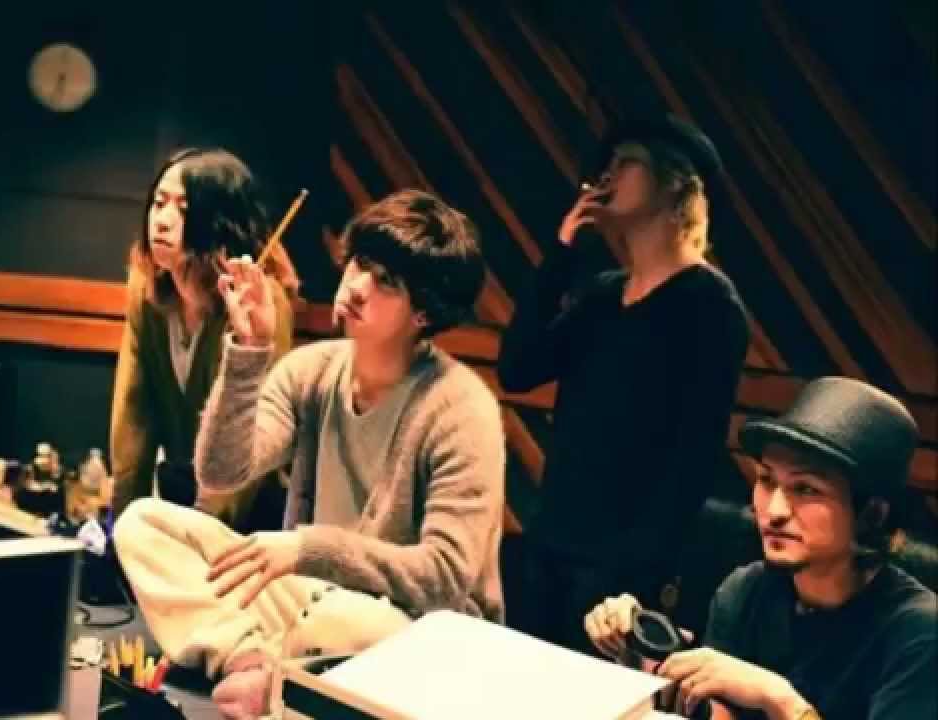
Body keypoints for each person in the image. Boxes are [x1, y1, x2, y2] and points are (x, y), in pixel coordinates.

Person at [113, 190, 505, 720]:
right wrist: (248, 351)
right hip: (310, 594)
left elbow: (444, 575)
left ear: (424, 314)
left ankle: (279, 669)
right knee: (144, 525)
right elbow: (221, 472)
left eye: (386, 282)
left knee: (346, 622)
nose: (357, 287)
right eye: (360, 264)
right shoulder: (312, 371)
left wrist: (307, 550)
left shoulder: (461, 408)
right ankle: (254, 662)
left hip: (415, 626)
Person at [498, 115, 750, 654]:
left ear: (674, 183)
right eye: (606, 165)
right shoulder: (603, 295)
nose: (606, 175)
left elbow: (692, 460)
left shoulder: (710, 305)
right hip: (552, 541)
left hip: (619, 571)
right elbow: (517, 369)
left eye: (626, 162)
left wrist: (635, 576)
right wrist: (562, 252)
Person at [585, 377, 937, 719]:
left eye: (807, 489)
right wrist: (643, 662)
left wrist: (780, 700)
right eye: (766, 480)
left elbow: (771, 698)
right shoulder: (745, 590)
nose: (774, 511)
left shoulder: (919, 633)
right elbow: (721, 714)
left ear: (873, 514)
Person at [109, 148, 299, 528]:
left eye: (183, 208)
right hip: (177, 491)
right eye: (158, 203)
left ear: (218, 220)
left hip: (246, 513)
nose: (162, 220)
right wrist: (123, 519)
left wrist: (205, 525)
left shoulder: (259, 300)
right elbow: (133, 415)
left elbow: (248, 428)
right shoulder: (145, 292)